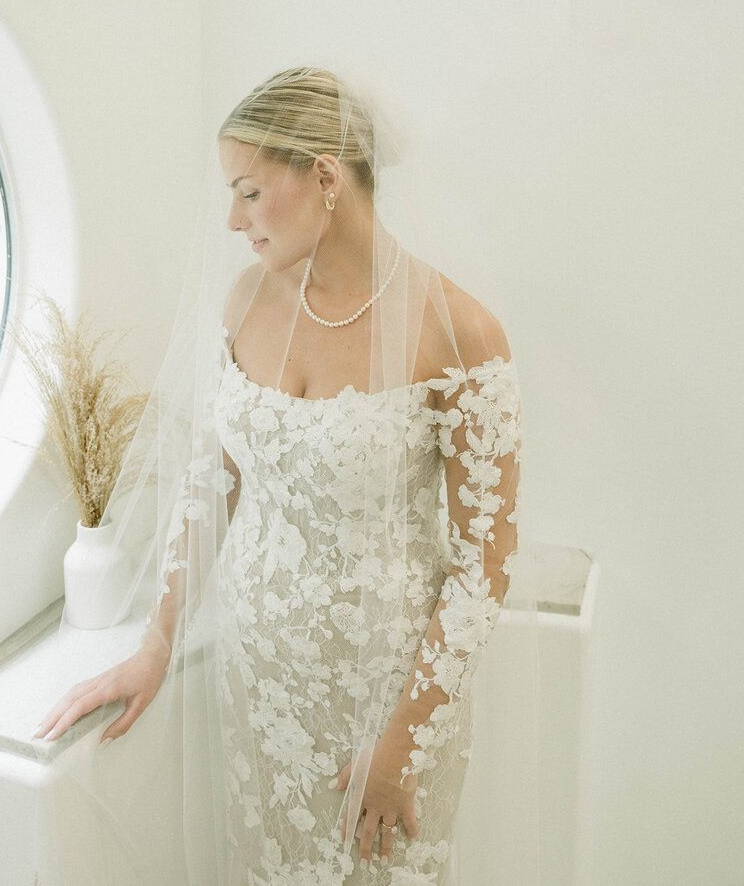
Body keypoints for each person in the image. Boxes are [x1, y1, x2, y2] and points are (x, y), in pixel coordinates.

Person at [33, 64, 541, 884]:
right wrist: (156, 644)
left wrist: (402, 745)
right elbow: (215, 478)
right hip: (261, 682)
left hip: (389, 696)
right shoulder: (246, 300)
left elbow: (484, 566)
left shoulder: (460, 332)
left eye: (249, 192)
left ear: (325, 178)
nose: (233, 220)